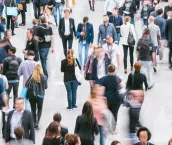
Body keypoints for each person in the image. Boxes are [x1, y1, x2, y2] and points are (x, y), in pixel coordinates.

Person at [28, 64, 47, 129]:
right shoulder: (44, 77)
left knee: (33, 109)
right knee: (39, 109)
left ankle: (33, 122)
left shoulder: (32, 77)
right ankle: (37, 122)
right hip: (41, 95)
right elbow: (46, 87)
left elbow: (26, 84)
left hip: (32, 95)